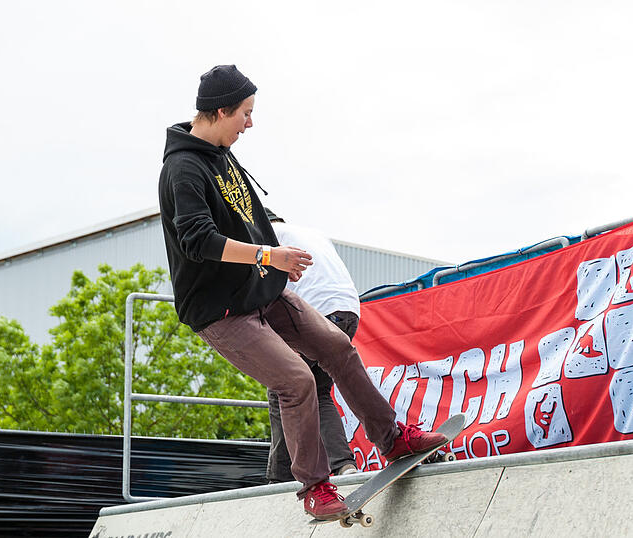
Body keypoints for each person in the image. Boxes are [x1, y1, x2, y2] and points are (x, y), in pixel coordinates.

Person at [157, 65, 447, 520]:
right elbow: (198, 240)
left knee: (337, 347)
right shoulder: (183, 168)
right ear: (219, 111)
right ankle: (315, 487)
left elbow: (250, 216)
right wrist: (269, 258)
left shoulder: (222, 153)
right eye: (245, 115)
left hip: (264, 294)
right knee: (295, 380)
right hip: (222, 311)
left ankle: (392, 440)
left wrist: (276, 259)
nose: (249, 124)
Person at [263, 208, 360, 483]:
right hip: (348, 311)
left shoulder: (269, 240)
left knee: (281, 387)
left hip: (314, 313)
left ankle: (279, 477)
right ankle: (343, 464)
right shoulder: (310, 233)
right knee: (319, 392)